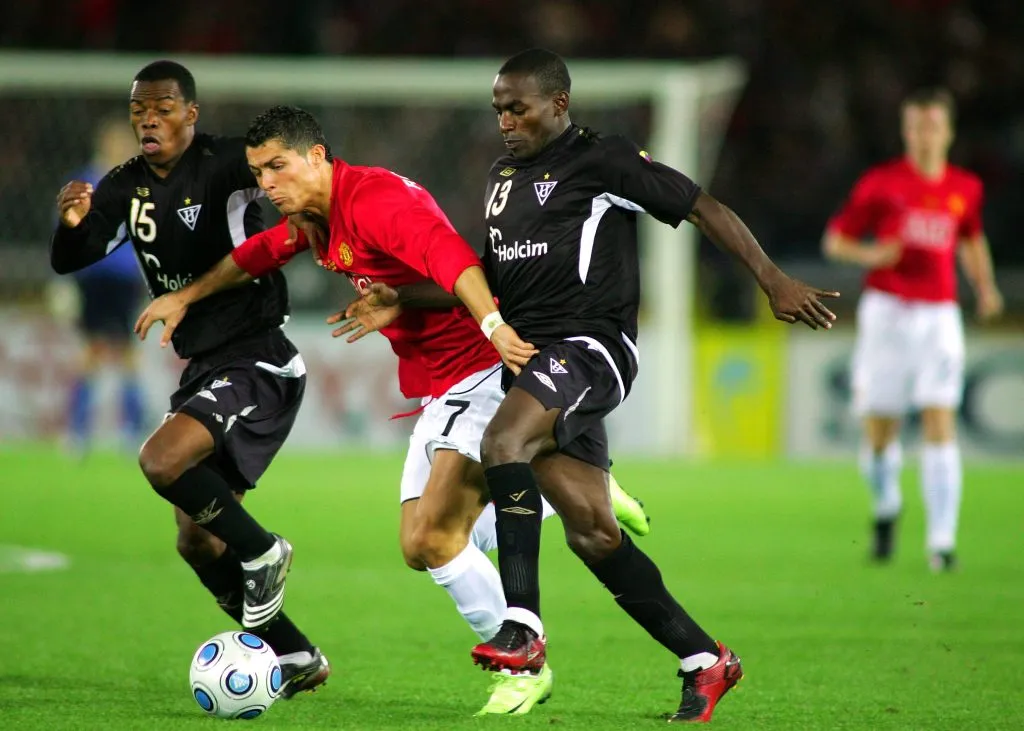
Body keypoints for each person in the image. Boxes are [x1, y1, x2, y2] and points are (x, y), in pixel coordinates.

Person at [134, 104, 651, 716]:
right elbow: (261, 253)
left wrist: (492, 325)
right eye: (257, 172)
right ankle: (567, 485)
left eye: (278, 167)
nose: (267, 184)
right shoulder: (316, 216)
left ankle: (525, 660)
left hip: (478, 371)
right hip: (439, 386)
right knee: (418, 545)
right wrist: (185, 296)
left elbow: (457, 260)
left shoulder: (378, 201)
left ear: (317, 158)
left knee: (436, 537)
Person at [465, 49, 839, 724]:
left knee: (501, 442)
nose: (506, 121)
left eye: (517, 107)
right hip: (533, 366)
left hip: (591, 347)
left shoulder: (600, 158)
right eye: (498, 109)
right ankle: (706, 660)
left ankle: (521, 625)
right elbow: (484, 277)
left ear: (558, 104)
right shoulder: (500, 178)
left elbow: (701, 206)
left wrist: (772, 279)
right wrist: (398, 301)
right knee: (592, 533)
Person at [49, 62, 328, 697]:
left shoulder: (228, 163)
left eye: (163, 108)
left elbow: (302, 182)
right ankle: (297, 655)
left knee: (160, 459)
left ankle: (263, 552)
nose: (149, 120)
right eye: (138, 111)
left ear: (190, 114)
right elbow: (72, 259)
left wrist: (310, 208)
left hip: (257, 354)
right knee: (197, 541)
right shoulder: (124, 186)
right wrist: (70, 227)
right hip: (205, 364)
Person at [823, 88, 1002, 572]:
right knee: (881, 433)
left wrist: (984, 287)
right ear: (906, 131)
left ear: (948, 131)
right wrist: (870, 256)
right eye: (917, 125)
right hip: (888, 313)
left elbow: (971, 238)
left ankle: (942, 544)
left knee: (940, 422)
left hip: (940, 316)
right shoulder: (881, 184)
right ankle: (886, 508)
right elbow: (835, 240)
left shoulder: (965, 187)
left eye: (933, 125)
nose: (925, 134)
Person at [60, 116, 147, 456]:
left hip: (127, 280)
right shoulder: (84, 182)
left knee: (127, 354)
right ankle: (78, 432)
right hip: (93, 277)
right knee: (91, 352)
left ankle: (131, 431)